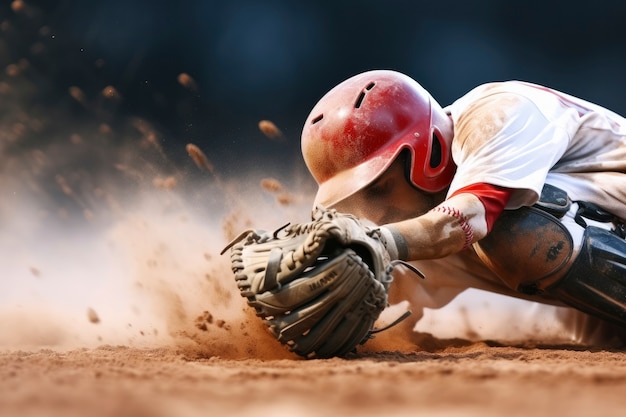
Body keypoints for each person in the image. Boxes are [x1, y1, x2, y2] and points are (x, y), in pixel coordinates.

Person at [300, 69, 626, 346]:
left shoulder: (497, 114)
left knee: (516, 226)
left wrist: (378, 242)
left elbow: (464, 219)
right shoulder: (418, 224)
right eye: (360, 197)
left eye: (380, 187)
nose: (376, 210)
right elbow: (383, 314)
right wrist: (309, 291)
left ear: (428, 154)